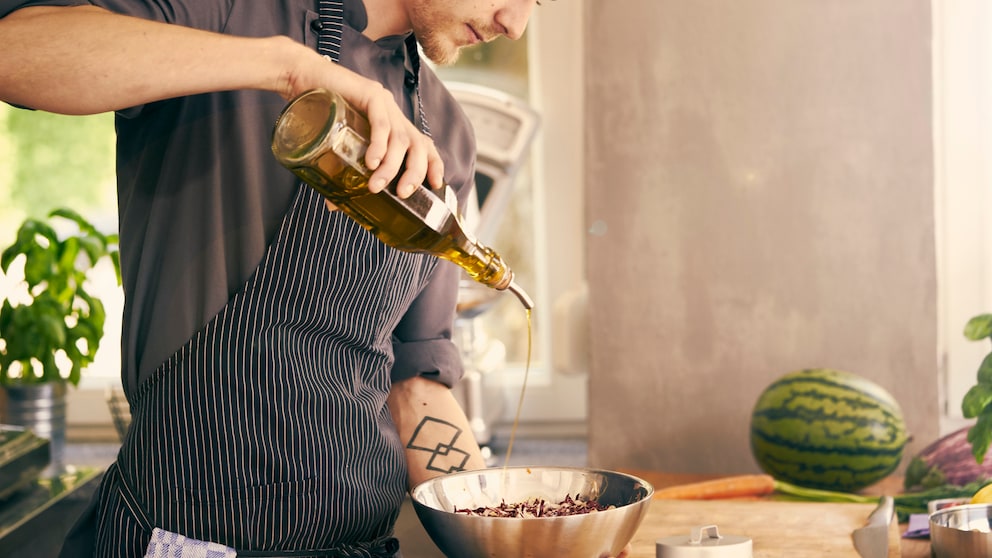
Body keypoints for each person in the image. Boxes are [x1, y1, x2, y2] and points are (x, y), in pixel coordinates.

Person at [0, 1, 631, 557]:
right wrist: (290, 69)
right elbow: (17, 49)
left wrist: (504, 534)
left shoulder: (445, 137)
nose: (515, 23)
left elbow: (417, 383)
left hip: (358, 548)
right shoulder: (234, 16)